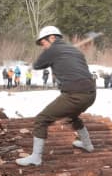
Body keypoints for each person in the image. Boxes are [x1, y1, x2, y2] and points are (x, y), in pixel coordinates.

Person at [16, 26, 96, 166]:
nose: (43, 46)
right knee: (72, 116)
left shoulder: (53, 49)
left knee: (41, 119)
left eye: (43, 43)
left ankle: (36, 157)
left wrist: (50, 58)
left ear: (52, 38)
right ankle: (87, 144)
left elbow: (37, 65)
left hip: (75, 95)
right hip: (91, 94)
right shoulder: (74, 50)